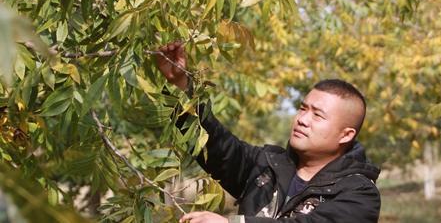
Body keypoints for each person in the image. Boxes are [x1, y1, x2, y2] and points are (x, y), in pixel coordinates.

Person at [156, 42, 381, 223]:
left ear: (346, 135)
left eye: (317, 115)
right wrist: (181, 87)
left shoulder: (359, 194)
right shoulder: (268, 166)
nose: (302, 120)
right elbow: (216, 145)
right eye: (303, 109)